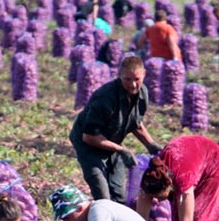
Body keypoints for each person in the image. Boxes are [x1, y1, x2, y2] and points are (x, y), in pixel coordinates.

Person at [69, 55, 162, 204]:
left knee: (119, 196)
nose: (132, 85)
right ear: (120, 76)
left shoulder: (142, 93)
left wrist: (150, 144)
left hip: (112, 142)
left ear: (144, 74)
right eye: (127, 79)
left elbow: (135, 122)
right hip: (89, 145)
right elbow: (89, 136)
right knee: (103, 195)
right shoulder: (105, 98)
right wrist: (121, 150)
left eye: (137, 79)